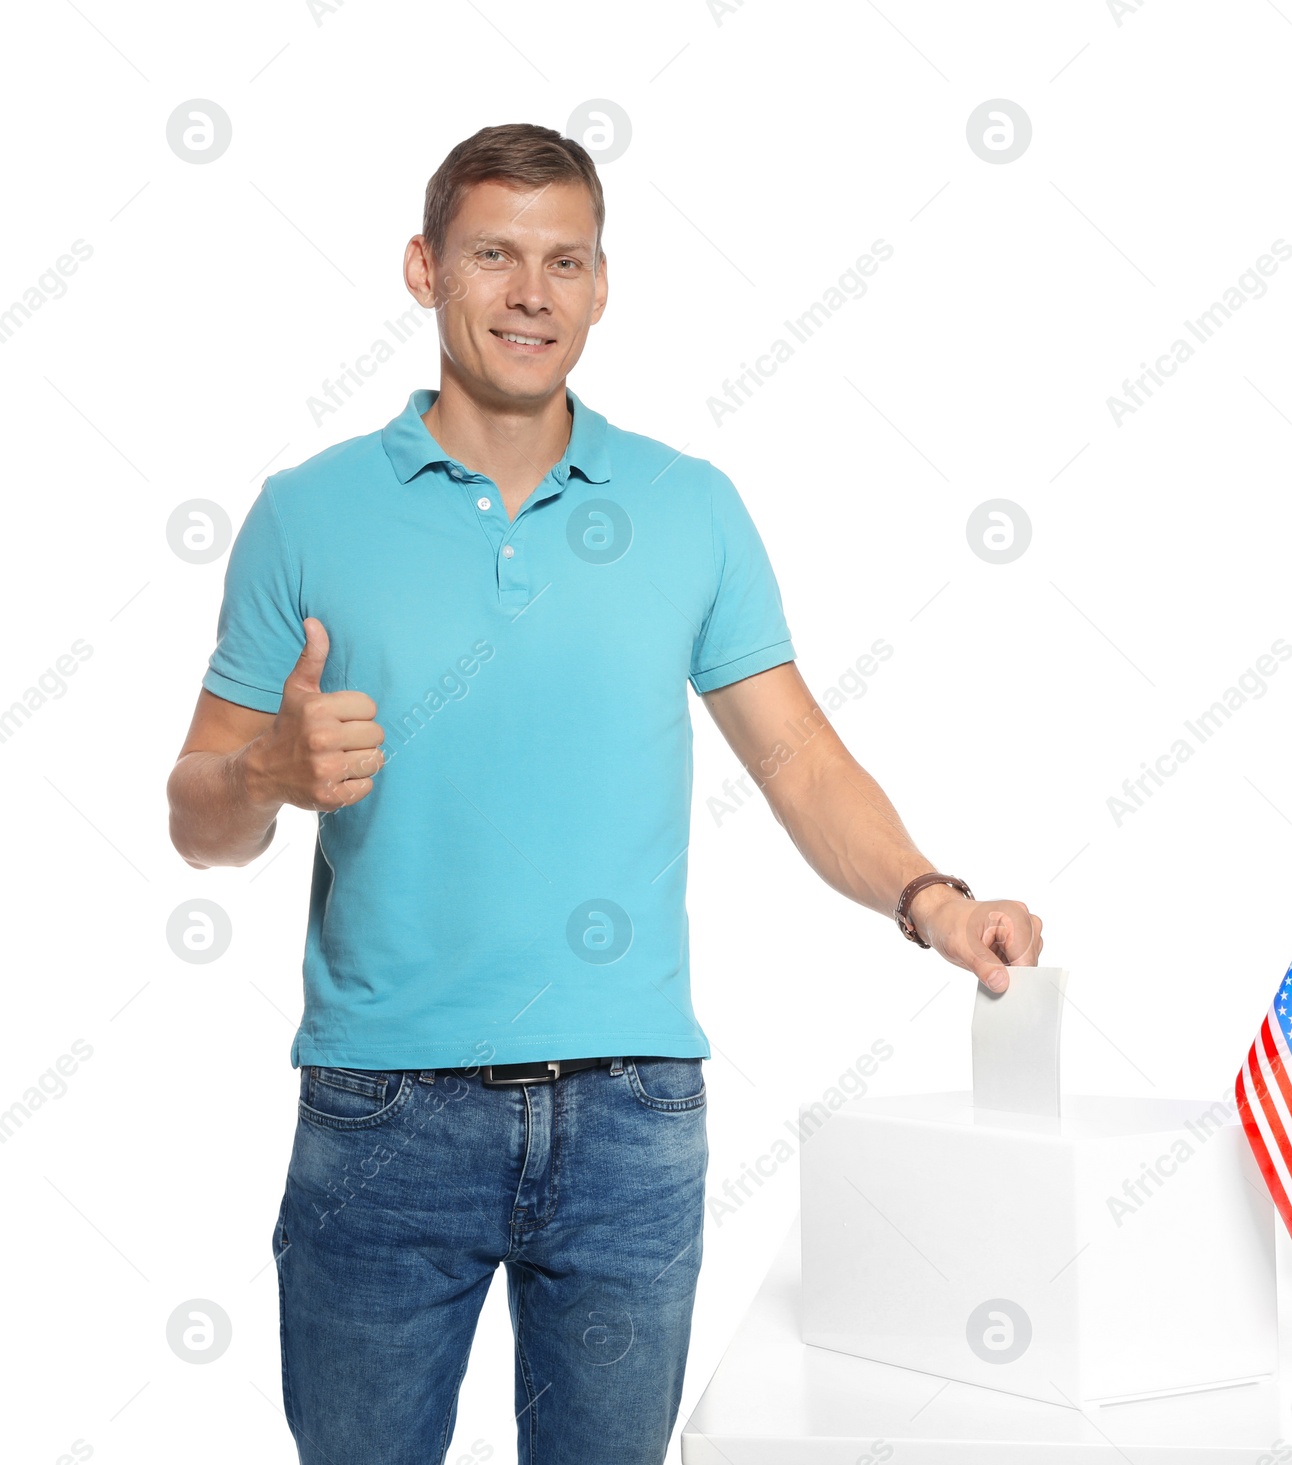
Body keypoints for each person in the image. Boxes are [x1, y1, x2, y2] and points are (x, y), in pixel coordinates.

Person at [165, 121, 1043, 1465]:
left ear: (601, 283)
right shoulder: (308, 512)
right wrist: (271, 775)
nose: (532, 294)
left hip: (632, 1118)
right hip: (384, 1114)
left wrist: (932, 897)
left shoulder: (689, 507)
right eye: (495, 256)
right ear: (423, 268)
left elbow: (798, 755)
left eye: (564, 260)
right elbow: (195, 813)